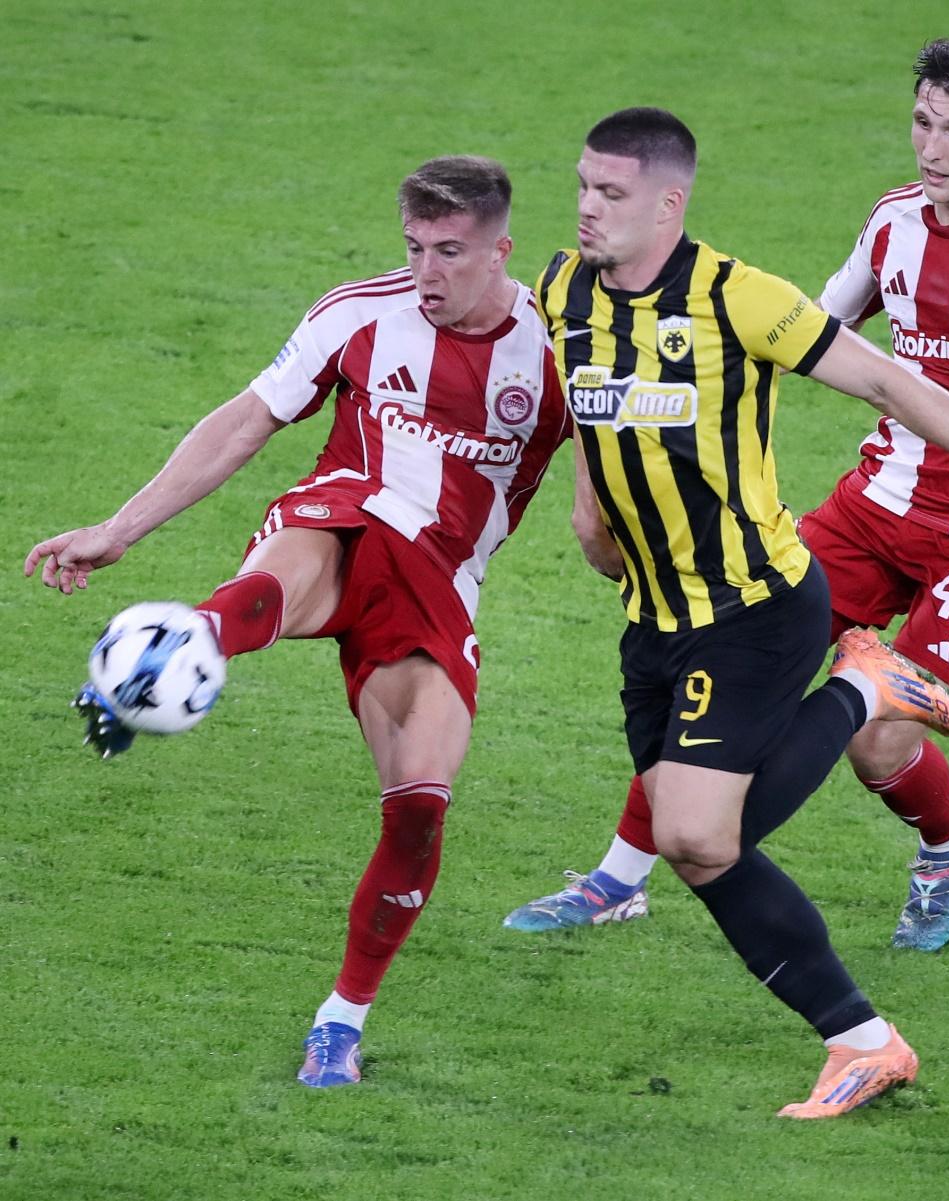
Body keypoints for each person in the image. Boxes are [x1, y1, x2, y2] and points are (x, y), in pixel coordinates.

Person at [506, 39, 949, 953]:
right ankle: (616, 882)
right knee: (726, 648)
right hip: (873, 504)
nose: (930, 148)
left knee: (878, 742)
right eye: (921, 123)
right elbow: (817, 334)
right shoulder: (892, 223)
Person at [532, 105, 949, 1119]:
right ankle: (864, 1043)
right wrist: (589, 513)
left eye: (611, 193)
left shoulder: (739, 298)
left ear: (667, 204)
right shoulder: (563, 290)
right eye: (583, 187)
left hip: (756, 606)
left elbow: (887, 382)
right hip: (654, 618)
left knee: (702, 832)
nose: (588, 208)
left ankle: (863, 686)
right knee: (699, 849)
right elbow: (580, 403)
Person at [25, 156, 571, 1088]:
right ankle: (169, 655)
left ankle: (339, 1022)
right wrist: (119, 529)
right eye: (413, 247)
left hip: (441, 583)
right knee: (306, 549)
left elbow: (618, 485)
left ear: (500, 250)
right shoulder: (358, 313)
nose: (426, 272)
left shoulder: (561, 350)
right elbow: (247, 420)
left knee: (420, 806)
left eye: (449, 252)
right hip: (342, 518)